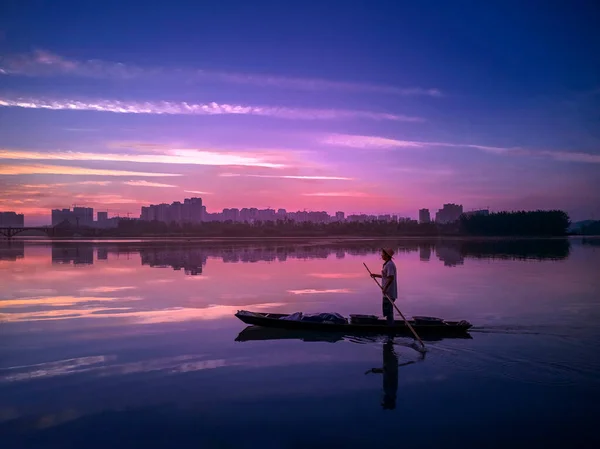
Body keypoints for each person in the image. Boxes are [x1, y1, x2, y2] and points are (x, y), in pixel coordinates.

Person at [370, 248, 397, 325]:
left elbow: (391, 278)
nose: (381, 255)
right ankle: (390, 325)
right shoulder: (387, 264)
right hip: (387, 291)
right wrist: (375, 275)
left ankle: (390, 327)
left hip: (389, 292)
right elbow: (386, 276)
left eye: (382, 254)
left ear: (387, 255)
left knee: (389, 312)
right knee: (387, 311)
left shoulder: (390, 265)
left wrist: (385, 288)